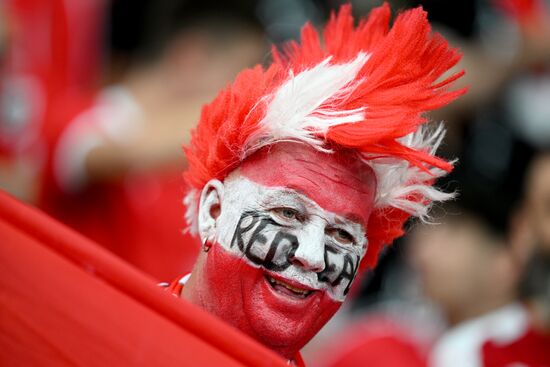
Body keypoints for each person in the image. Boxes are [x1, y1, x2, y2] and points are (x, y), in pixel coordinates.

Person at [163, 3, 466, 364]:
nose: (310, 255)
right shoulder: (101, 331)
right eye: (288, 212)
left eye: (342, 236)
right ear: (214, 209)